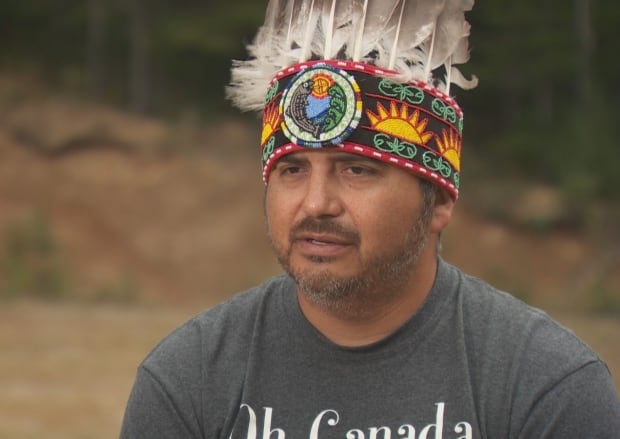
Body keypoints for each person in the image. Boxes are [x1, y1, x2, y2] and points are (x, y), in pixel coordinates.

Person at [120, 0, 620, 437]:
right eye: (292, 169)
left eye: (356, 170)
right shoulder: (189, 380)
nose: (316, 203)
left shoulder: (545, 387)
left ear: (440, 199)